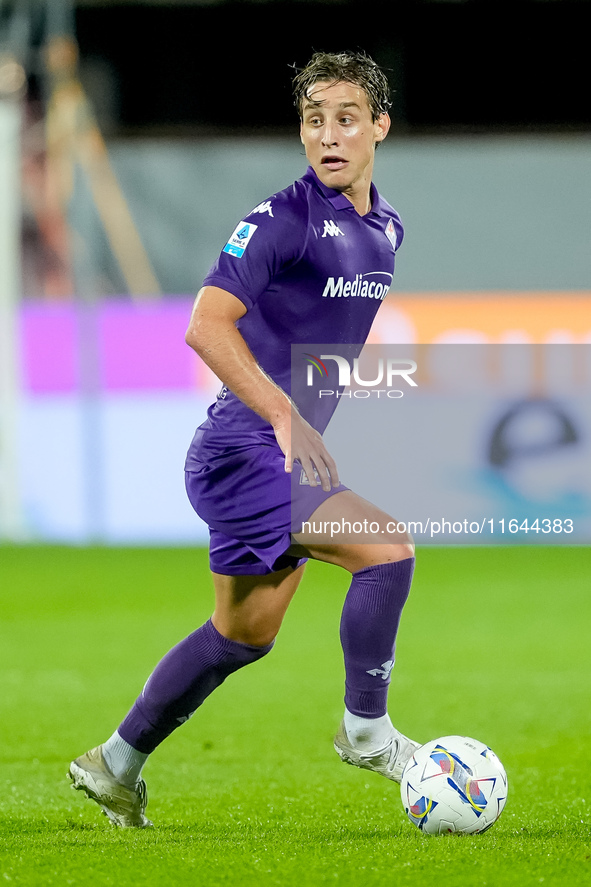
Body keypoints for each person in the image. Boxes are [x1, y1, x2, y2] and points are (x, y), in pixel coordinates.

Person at [68, 50, 419, 828]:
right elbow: (205, 323)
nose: (327, 135)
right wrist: (284, 414)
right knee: (386, 548)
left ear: (379, 127)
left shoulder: (386, 227)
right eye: (312, 119)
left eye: (346, 118)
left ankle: (114, 763)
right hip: (242, 448)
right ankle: (366, 731)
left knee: (242, 634)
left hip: (267, 452)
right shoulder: (280, 218)